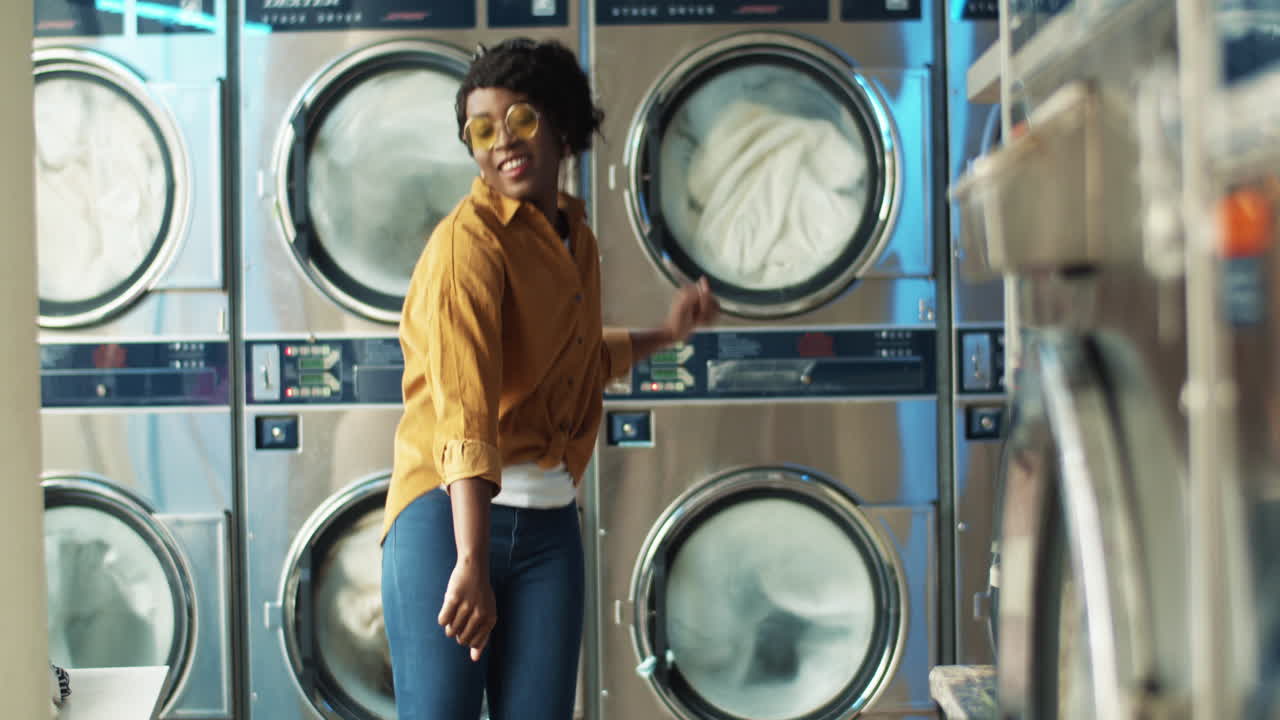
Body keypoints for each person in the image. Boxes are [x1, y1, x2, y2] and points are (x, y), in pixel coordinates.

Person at [380, 37, 719, 720]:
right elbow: (466, 407)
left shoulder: (573, 236)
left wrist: (667, 334)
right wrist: (470, 559)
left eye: (521, 119)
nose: (503, 141)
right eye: (482, 130)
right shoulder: (467, 244)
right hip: (448, 524)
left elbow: (574, 361)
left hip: (548, 527)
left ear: (560, 124)